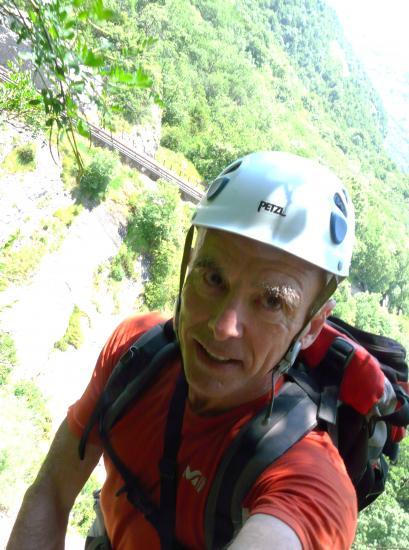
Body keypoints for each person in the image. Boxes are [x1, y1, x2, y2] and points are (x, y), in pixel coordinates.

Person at [7, 151, 358, 550]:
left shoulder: (311, 482)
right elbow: (53, 489)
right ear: (189, 263)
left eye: (272, 302)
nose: (223, 327)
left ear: (311, 326)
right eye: (212, 277)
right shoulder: (136, 353)